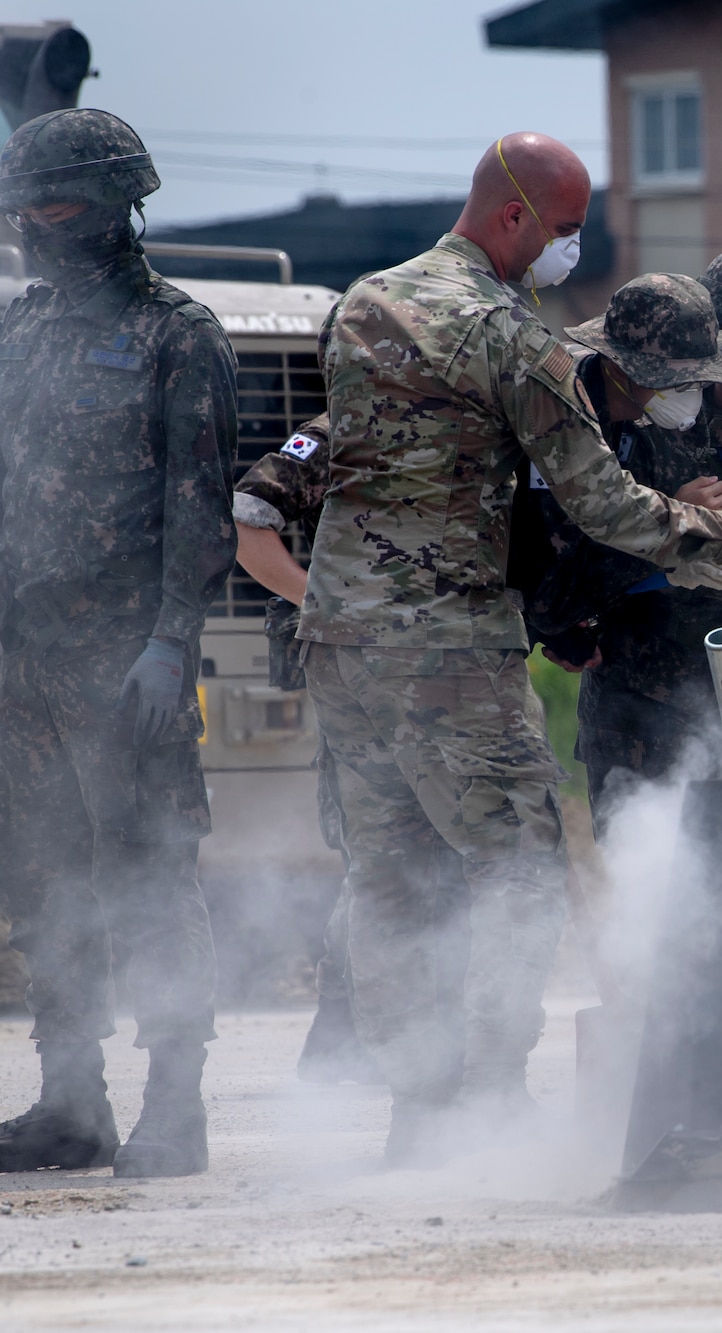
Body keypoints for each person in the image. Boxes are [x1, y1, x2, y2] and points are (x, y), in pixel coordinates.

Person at [300, 132, 722, 1163]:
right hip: (448, 640)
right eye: (568, 229)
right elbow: (595, 498)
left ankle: (415, 1117)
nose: (572, 249)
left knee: (391, 877)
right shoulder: (509, 336)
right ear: (514, 218)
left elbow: (351, 464)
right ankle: (485, 1103)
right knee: (521, 874)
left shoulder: (362, 304)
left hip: (344, 634)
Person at [0, 109, 238, 1177]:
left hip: (122, 663)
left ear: (117, 207)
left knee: (149, 874)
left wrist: (172, 641)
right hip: (22, 659)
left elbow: (201, 509)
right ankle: (69, 1101)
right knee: (45, 875)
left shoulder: (178, 333)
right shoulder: (18, 329)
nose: (42, 224)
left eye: (62, 205)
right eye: (29, 206)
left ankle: (176, 1105)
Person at [532, 248, 722, 829]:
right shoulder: (647, 416)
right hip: (639, 700)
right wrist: (702, 534)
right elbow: (572, 559)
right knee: (649, 880)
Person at [232, 412, 385, 1086]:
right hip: (357, 676)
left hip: (436, 668)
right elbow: (249, 510)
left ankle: (375, 1035)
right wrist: (318, 600)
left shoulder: (463, 412)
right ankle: (342, 1035)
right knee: (372, 856)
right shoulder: (332, 432)